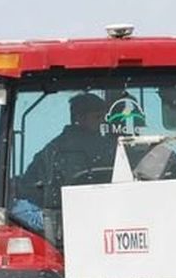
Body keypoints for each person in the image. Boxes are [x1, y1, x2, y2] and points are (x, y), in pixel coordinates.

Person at [11, 93, 117, 230]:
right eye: (97, 117)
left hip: (99, 211)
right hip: (70, 216)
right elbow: (31, 186)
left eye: (103, 117)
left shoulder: (109, 146)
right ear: (79, 118)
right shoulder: (54, 151)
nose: (102, 122)